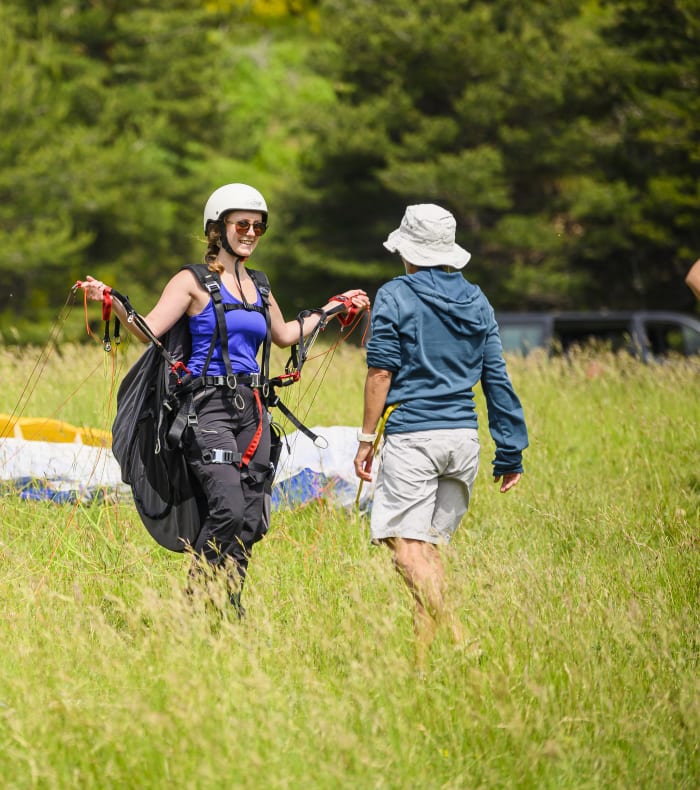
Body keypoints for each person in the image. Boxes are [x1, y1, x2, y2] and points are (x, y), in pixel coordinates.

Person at [82, 183, 369, 614]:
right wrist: (113, 301)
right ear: (217, 229)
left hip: (252, 412)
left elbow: (286, 333)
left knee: (251, 520)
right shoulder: (191, 281)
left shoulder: (260, 285)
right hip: (206, 411)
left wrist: (332, 309)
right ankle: (195, 609)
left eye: (258, 226)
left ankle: (226, 608)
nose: (251, 232)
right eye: (242, 224)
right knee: (229, 508)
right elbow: (149, 329)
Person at [353, 203, 528, 666]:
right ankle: (421, 667)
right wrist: (509, 451)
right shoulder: (477, 299)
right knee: (427, 554)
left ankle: (460, 637)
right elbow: (497, 379)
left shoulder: (395, 293)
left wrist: (366, 439)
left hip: (414, 438)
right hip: (463, 442)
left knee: (404, 551)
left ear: (407, 251)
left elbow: (380, 373)